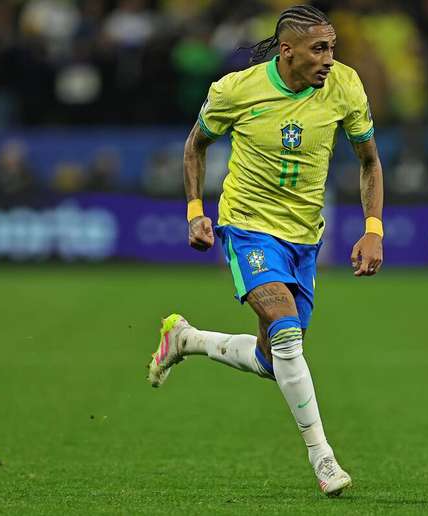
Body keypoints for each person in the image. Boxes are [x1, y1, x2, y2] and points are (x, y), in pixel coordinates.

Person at [146, 5, 384, 497]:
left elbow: (369, 161)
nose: (329, 58)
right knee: (287, 334)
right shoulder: (236, 90)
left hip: (304, 237)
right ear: (288, 50)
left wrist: (373, 229)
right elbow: (195, 146)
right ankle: (323, 458)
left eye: (332, 47)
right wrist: (195, 212)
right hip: (248, 228)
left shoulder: (345, 85)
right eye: (319, 49)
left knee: (273, 358)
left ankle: (186, 340)